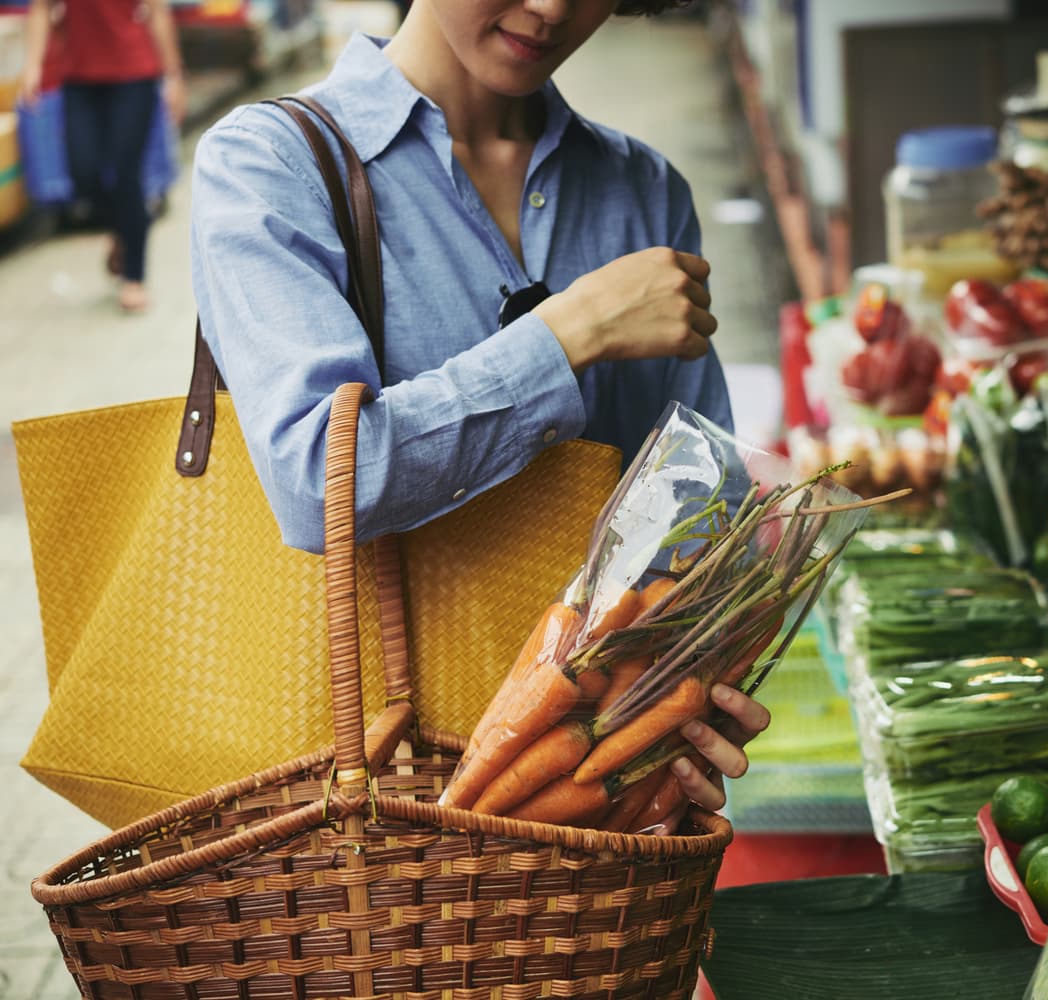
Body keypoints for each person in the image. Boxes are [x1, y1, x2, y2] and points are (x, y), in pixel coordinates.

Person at [189, 0, 759, 817]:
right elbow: (319, 484)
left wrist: (697, 686)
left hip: (600, 800)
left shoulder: (642, 188)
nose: (553, 7)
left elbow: (703, 514)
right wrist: (568, 334)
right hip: (367, 814)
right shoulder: (270, 163)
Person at [19, 0, 187, 313]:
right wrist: (32, 66)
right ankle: (126, 226)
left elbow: (157, 11)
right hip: (79, 78)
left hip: (135, 74)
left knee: (126, 173)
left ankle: (133, 277)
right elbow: (41, 8)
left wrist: (174, 76)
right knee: (82, 173)